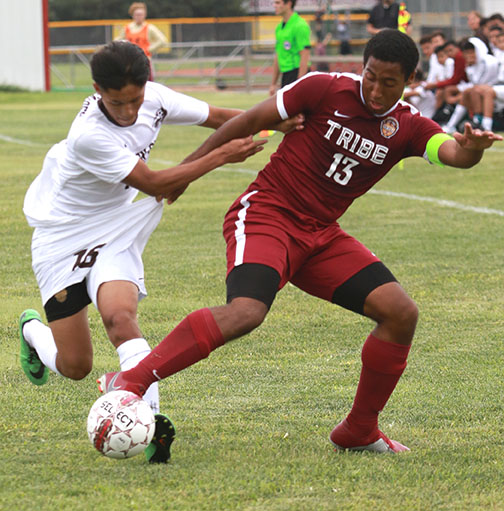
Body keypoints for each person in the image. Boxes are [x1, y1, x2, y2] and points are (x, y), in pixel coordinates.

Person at [97, 30, 502, 454]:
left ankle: (358, 430)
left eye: (389, 82)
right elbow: (248, 121)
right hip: (267, 214)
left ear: (409, 80)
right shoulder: (323, 88)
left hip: (320, 235)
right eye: (370, 76)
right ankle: (132, 379)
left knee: (400, 313)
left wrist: (472, 149)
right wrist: (189, 170)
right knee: (247, 311)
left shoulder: (408, 126)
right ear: (361, 67)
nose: (376, 89)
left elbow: (454, 154)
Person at [18, 41, 267, 463]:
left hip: (115, 228)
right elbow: (153, 183)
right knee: (76, 365)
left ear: (146, 86)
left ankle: (149, 421)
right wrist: (222, 156)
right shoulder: (88, 136)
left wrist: (289, 119)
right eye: (117, 103)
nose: (129, 111)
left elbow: (224, 118)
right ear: (98, 89)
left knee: (120, 318)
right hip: (61, 238)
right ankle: (31, 331)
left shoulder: (155, 98)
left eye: (135, 100)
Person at [115, 2, 167, 80]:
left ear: (145, 15)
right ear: (132, 15)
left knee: (148, 86)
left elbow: (163, 41)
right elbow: (117, 41)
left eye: (141, 14)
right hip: (130, 62)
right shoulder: (127, 28)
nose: (139, 17)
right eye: (137, 14)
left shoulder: (149, 28)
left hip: (144, 62)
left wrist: (148, 49)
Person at [269, 0, 311, 96]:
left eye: (278, 3)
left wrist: (299, 83)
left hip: (297, 74)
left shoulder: (300, 25)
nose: (274, 5)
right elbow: (278, 56)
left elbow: (304, 56)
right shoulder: (279, 28)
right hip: (286, 76)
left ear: (288, 4)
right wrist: (273, 84)